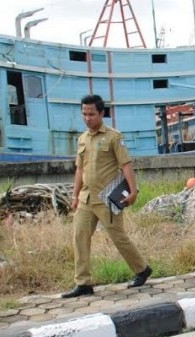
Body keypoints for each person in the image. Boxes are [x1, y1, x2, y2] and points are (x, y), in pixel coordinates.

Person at [62, 94, 152, 299]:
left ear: (101, 113)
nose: (87, 118)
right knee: (79, 237)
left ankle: (142, 269)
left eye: (91, 114)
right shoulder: (82, 139)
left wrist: (133, 191)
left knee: (118, 237)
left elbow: (126, 164)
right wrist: (74, 195)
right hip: (86, 198)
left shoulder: (113, 137)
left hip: (107, 197)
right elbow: (79, 169)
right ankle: (83, 283)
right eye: (84, 114)